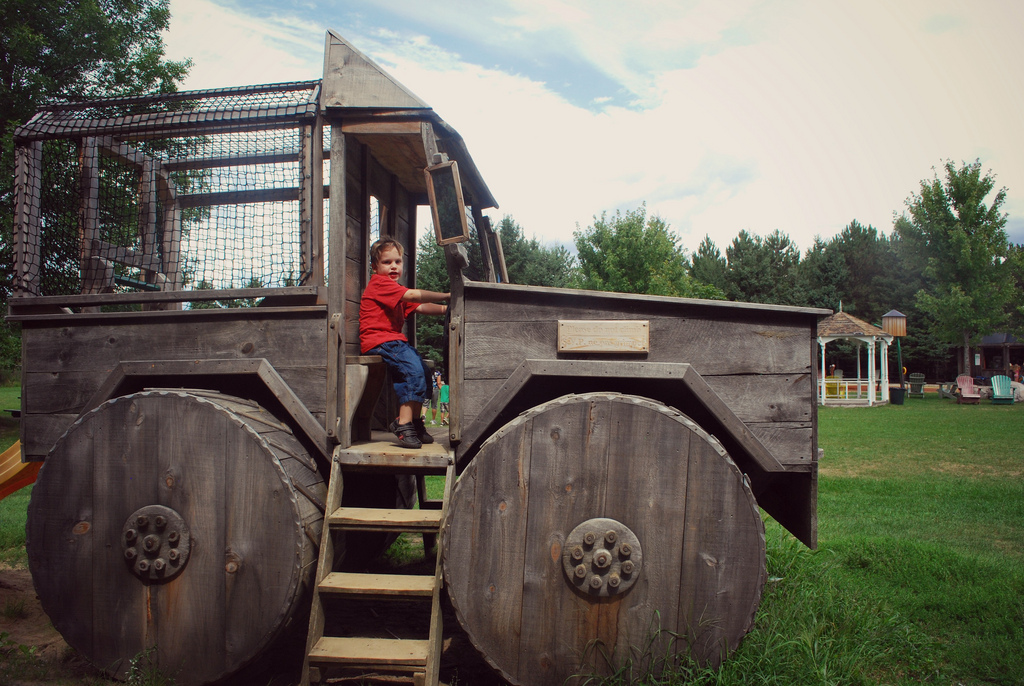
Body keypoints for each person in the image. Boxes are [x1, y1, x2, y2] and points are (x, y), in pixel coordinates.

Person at [359, 237, 449, 448]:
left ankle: (416, 423)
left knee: (424, 372)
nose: (393, 266)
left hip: (392, 341)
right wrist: (446, 295)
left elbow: (420, 307)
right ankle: (403, 424)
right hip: (379, 340)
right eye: (386, 262)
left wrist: (446, 309)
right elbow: (413, 296)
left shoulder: (394, 289)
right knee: (411, 371)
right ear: (375, 267)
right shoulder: (380, 284)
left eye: (397, 262)